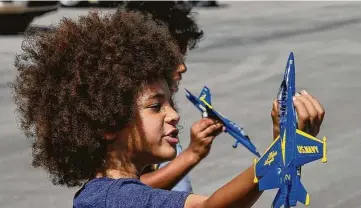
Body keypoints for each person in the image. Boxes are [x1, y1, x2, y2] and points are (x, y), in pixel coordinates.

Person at [11, 9, 326, 208]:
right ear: (107, 122)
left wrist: (278, 152)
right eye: (155, 106)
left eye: (170, 103)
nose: (174, 115)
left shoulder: (116, 191)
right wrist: (279, 153)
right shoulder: (112, 198)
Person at [123, 1, 326, 196]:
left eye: (182, 57)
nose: (183, 67)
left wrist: (278, 149)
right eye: (172, 58)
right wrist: (192, 154)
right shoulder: (123, 120)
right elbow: (130, 191)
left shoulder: (156, 121)